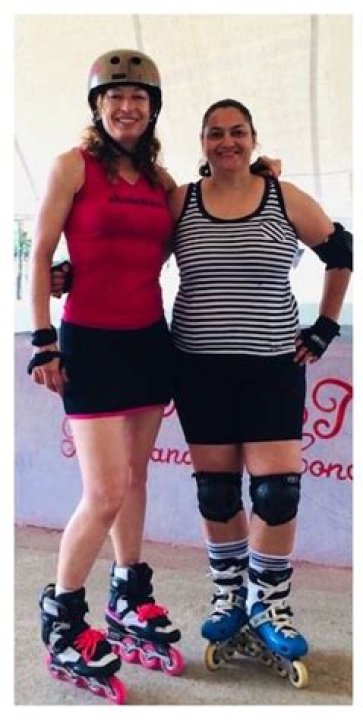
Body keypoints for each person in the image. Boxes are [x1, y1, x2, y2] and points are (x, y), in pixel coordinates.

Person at [166, 98, 352, 687]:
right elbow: (129, 257)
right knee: (218, 491)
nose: (227, 141)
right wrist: (71, 275)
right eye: (215, 133)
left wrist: (324, 327)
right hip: (198, 367)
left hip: (271, 366)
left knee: (276, 493)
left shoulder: (283, 197)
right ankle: (228, 596)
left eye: (237, 131)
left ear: (253, 138)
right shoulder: (180, 201)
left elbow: (340, 251)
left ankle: (269, 602)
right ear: (202, 143)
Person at [29, 49, 182, 702]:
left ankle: (128, 591)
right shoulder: (73, 166)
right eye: (115, 96)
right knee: (105, 491)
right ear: (97, 106)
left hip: (148, 341)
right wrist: (43, 340)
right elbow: (41, 254)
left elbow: (184, 234)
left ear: (152, 110)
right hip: (89, 344)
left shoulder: (160, 180)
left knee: (137, 478)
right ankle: (62, 615)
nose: (127, 106)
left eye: (138, 98)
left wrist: (263, 173)